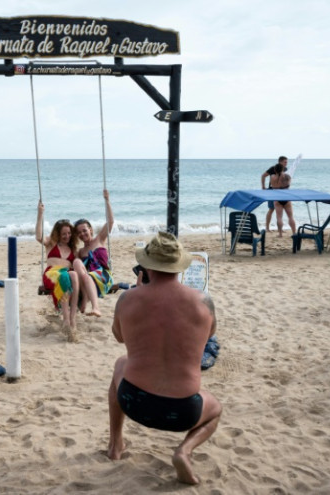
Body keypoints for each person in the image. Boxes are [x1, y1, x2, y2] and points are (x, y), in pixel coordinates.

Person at [107, 232, 222, 485]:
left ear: (147, 265)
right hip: (183, 412)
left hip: (133, 402)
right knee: (215, 409)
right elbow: (208, 335)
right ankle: (184, 450)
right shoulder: (203, 302)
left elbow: (119, 337)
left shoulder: (128, 299)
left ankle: (116, 445)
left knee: (120, 363)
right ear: (180, 265)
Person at [35, 201, 80, 336]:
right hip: (51, 274)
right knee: (64, 275)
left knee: (73, 276)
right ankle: (66, 319)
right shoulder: (51, 243)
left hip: (65, 275)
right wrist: (40, 214)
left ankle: (72, 317)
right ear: (58, 234)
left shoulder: (73, 249)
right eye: (64, 234)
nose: (67, 236)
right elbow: (38, 236)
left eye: (69, 233)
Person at [73, 189, 114, 317]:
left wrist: (107, 201)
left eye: (84, 230)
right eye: (79, 233)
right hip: (88, 279)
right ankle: (85, 298)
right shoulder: (80, 251)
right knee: (77, 262)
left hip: (103, 277)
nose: (82, 234)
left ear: (90, 229)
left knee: (87, 276)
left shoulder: (99, 239)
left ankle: (95, 307)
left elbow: (110, 222)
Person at [261, 156, 288, 232]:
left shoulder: (285, 169)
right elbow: (263, 175)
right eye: (285, 162)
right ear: (280, 162)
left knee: (280, 210)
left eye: (286, 162)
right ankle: (267, 228)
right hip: (272, 190)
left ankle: (280, 229)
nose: (286, 164)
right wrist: (263, 186)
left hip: (281, 191)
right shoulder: (273, 168)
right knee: (271, 209)